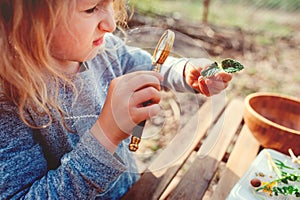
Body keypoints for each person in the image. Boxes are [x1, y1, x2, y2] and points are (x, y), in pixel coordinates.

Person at [0, 0, 232, 199]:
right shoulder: (10, 99)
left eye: (111, 3)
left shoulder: (104, 50)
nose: (110, 24)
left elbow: (147, 66)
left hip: (131, 188)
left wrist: (183, 72)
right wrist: (106, 135)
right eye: (91, 9)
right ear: (28, 20)